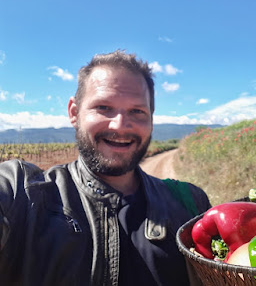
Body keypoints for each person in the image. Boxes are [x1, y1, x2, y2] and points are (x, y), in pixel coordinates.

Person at [0, 50, 211, 286]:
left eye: (137, 111)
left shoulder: (191, 205)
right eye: (103, 107)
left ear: (151, 119)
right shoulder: (22, 194)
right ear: (74, 112)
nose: (120, 125)